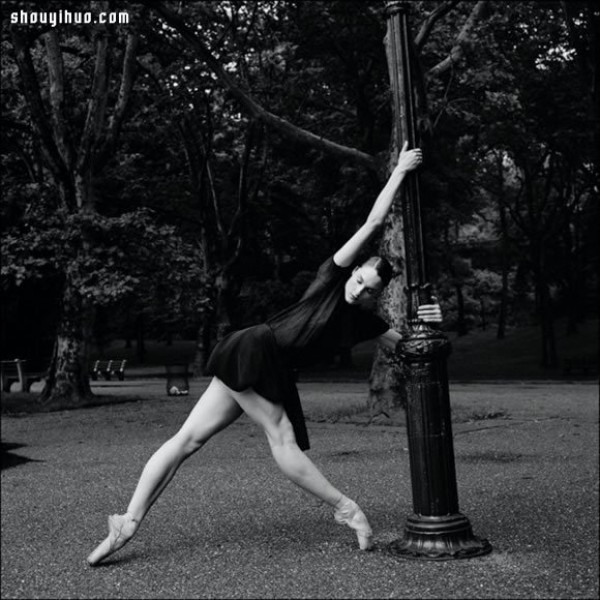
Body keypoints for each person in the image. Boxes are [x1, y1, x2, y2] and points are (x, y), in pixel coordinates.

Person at [87, 142, 442, 566]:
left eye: (369, 290)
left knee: (188, 440)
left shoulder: (367, 322)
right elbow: (373, 223)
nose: (359, 289)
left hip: (265, 361)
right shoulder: (332, 277)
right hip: (257, 348)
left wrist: (435, 323)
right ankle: (346, 508)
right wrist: (400, 171)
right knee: (281, 438)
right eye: (359, 279)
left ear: (377, 297)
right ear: (352, 270)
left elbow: (413, 349)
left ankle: (128, 523)